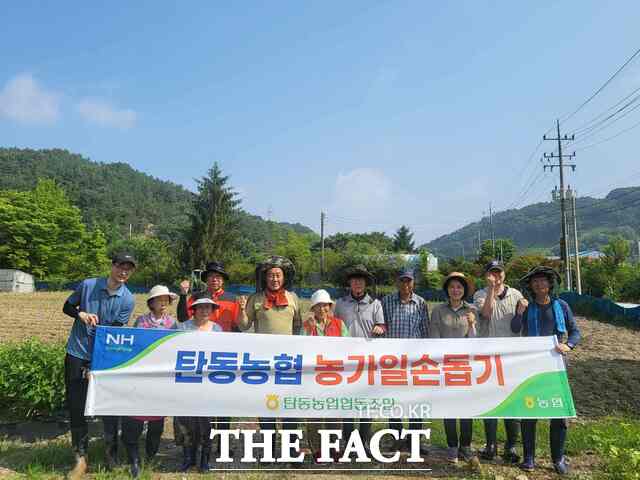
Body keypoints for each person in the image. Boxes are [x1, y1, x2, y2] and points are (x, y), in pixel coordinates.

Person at [61, 252, 136, 479]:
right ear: (112, 266)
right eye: (120, 266)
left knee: (109, 406)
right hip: (77, 353)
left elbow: (114, 328)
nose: (123, 272)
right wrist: (80, 313)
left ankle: (111, 456)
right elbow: (67, 306)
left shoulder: (128, 299)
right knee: (76, 406)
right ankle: (80, 459)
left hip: (104, 358)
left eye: (128, 269)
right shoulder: (88, 285)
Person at [511, 266, 581, 475]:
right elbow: (515, 329)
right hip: (531, 366)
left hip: (555, 366)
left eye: (543, 281)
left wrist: (568, 345)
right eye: (535, 281)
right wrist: (519, 313)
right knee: (529, 411)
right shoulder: (528, 307)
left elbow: (575, 331)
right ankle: (529, 457)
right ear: (531, 286)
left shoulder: (562, 306)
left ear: (550, 284)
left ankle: (557, 458)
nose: (539, 284)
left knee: (558, 413)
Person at [236, 256, 302, 456]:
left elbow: (297, 326)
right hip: (264, 363)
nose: (275, 279)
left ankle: (291, 453)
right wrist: (240, 310)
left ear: (284, 278)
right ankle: (268, 452)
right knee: (266, 408)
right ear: (265, 278)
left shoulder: (293, 298)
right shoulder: (255, 299)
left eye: (278, 275)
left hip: (288, 363)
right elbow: (243, 325)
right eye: (271, 275)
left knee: (290, 408)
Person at [176, 260, 239, 455]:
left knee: (224, 404)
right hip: (198, 358)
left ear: (223, 280)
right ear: (206, 279)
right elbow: (182, 318)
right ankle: (195, 445)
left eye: (218, 277)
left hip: (224, 357)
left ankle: (223, 446)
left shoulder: (232, 298)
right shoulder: (196, 297)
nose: (215, 279)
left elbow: (238, 326)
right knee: (197, 403)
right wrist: (183, 295)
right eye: (211, 276)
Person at [121, 285, 177, 478]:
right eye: (159, 300)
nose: (163, 303)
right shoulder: (141, 321)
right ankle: (134, 459)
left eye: (166, 300)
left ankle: (150, 457)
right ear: (151, 303)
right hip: (142, 376)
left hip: (161, 379)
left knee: (157, 421)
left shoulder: (172, 324)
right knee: (135, 419)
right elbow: (135, 347)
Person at [473, 260, 526, 463]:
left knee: (512, 401)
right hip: (488, 356)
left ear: (504, 274)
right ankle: (490, 444)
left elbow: (518, 325)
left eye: (499, 272)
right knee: (490, 399)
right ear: (486, 275)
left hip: (511, 357)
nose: (496, 276)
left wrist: (522, 309)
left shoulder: (516, 295)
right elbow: (486, 313)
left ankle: (511, 445)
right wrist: (491, 290)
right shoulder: (479, 294)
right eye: (492, 272)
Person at [334, 264, 385, 453]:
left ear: (365, 283)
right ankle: (348, 442)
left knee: (366, 402)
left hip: (368, 361)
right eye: (354, 280)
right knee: (348, 402)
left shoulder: (375, 304)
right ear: (349, 283)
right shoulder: (340, 303)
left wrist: (380, 328)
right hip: (346, 361)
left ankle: (363, 441)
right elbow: (333, 326)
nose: (357, 283)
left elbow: (382, 325)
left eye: (361, 280)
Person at [430, 272, 477, 465]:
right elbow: (434, 338)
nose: (455, 290)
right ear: (447, 290)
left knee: (466, 407)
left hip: (466, 366)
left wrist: (473, 324)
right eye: (452, 287)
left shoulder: (471, 310)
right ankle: (452, 446)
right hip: (445, 365)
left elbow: (476, 341)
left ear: (464, 290)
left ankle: (465, 446)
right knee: (449, 406)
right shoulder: (438, 311)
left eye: (459, 287)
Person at [381, 268, 429, 453]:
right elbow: (382, 328)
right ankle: (397, 439)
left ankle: (415, 441)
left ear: (413, 282)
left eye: (409, 281)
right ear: (397, 282)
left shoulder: (421, 303)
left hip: (414, 361)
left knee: (415, 402)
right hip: (392, 361)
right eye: (402, 280)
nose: (405, 284)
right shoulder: (386, 302)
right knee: (394, 401)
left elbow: (425, 332)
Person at [176, 293, 222, 472]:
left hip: (208, 383)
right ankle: (188, 458)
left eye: (208, 307)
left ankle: (204, 459)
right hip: (186, 381)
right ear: (193, 310)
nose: (204, 310)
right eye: (201, 307)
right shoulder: (183, 328)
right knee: (187, 422)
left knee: (205, 423)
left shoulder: (217, 330)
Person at [301, 289, 349, 462]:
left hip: (334, 375)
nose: (322, 309)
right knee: (314, 414)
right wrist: (309, 329)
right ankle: (317, 450)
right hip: (314, 377)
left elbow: (347, 347)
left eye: (325, 305)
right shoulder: (307, 326)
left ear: (330, 306)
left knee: (335, 414)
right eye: (319, 306)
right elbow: (302, 347)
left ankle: (334, 448)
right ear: (313, 308)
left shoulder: (339, 324)